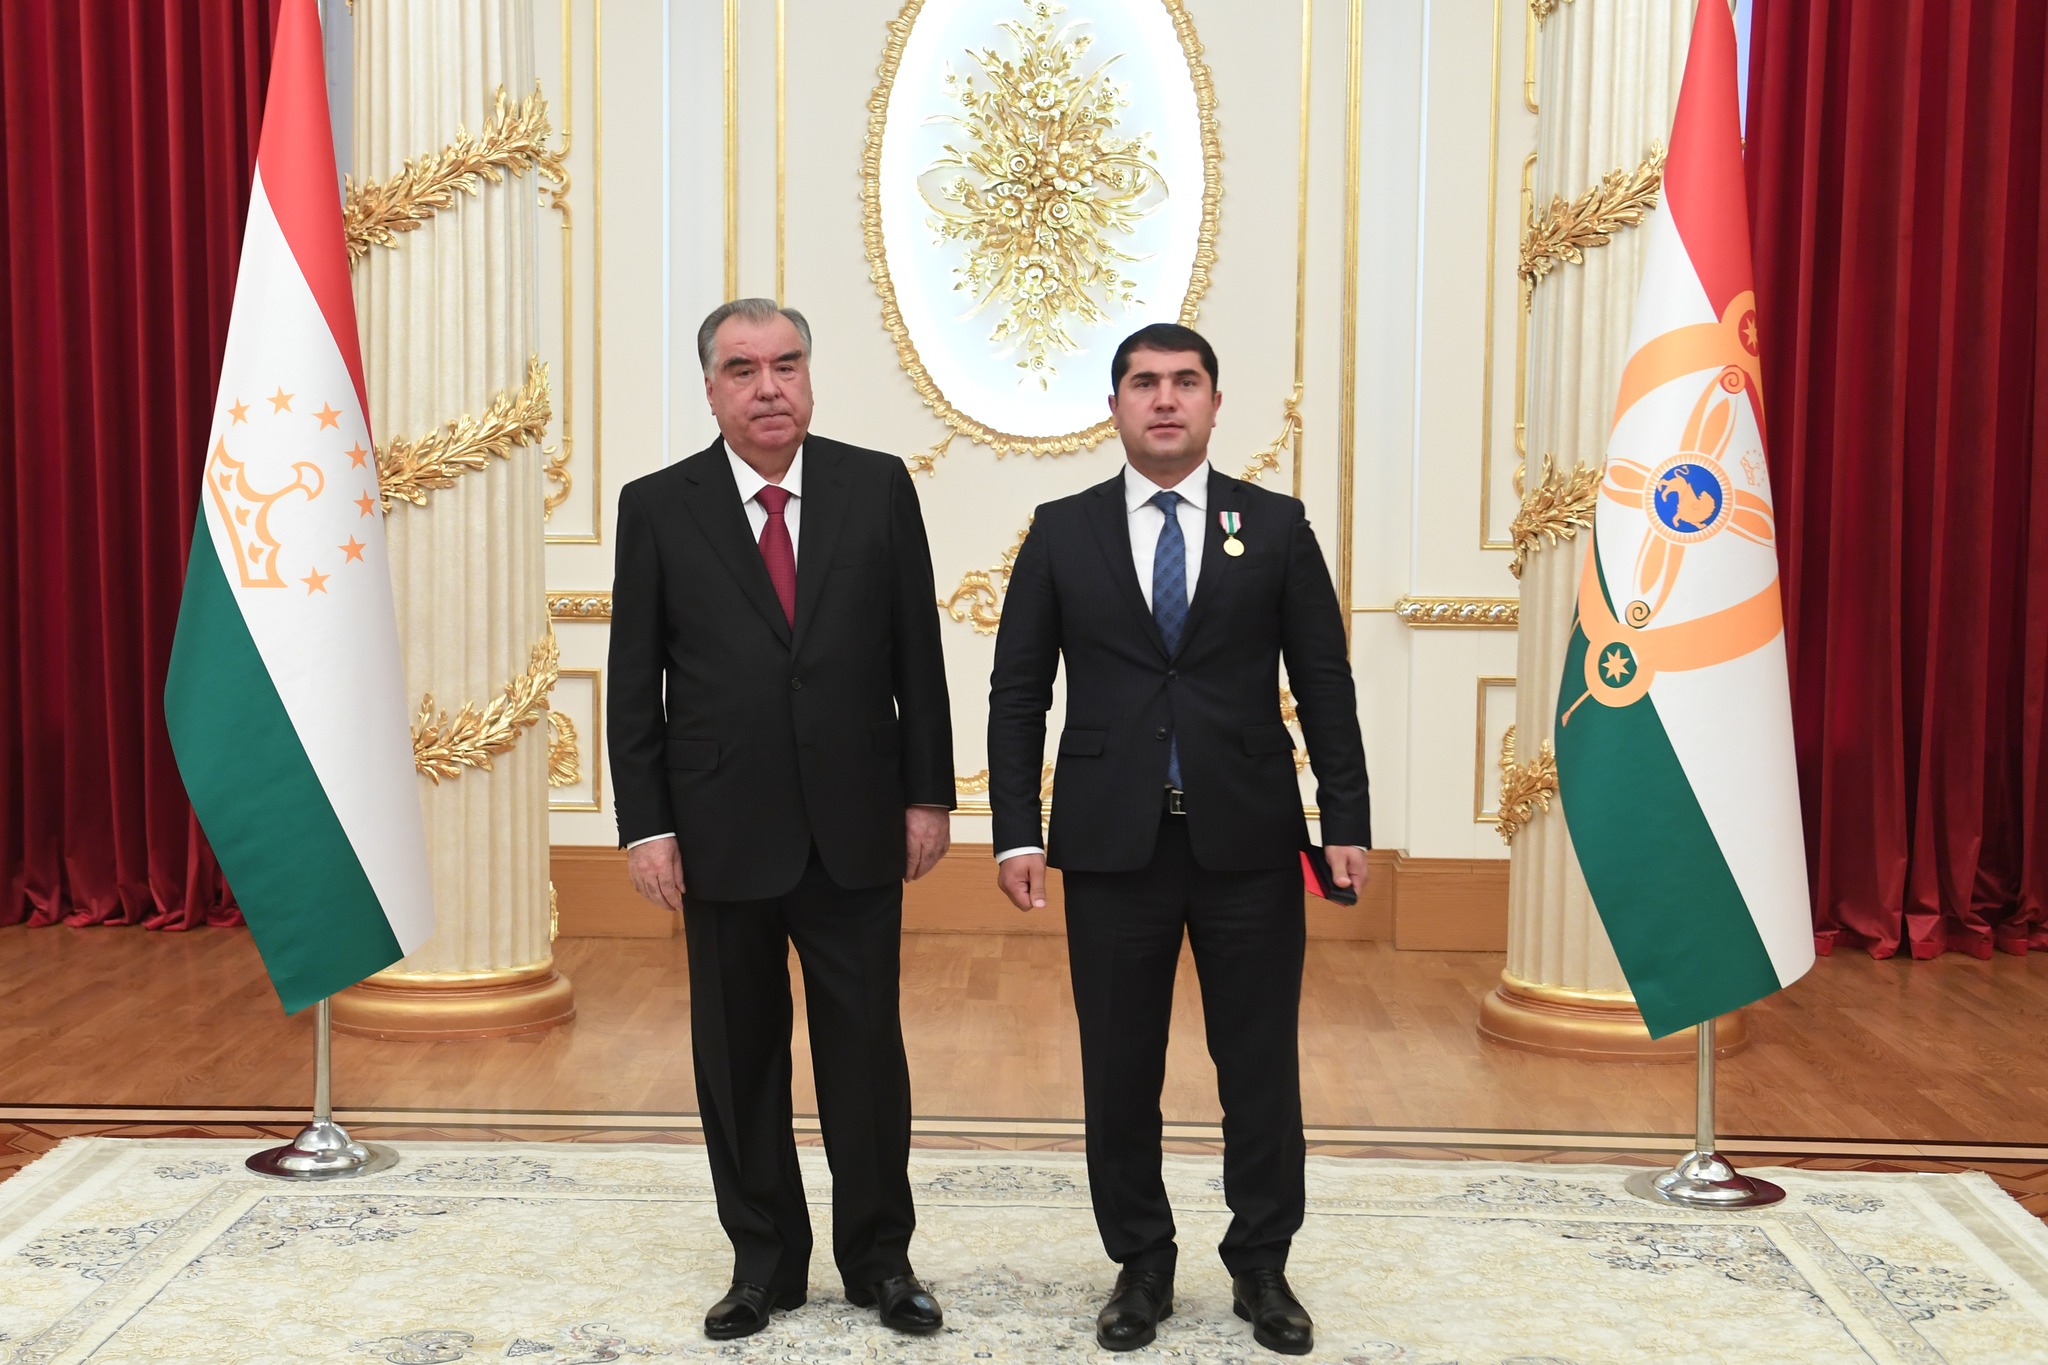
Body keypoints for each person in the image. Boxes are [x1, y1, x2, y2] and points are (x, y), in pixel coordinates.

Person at [986, 323, 1372, 1356]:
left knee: (1259, 1064)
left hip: (1249, 841)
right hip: (1111, 843)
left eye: (1185, 382)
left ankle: (1261, 1265)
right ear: (1114, 405)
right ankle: (1141, 1263)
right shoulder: (1061, 530)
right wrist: (1015, 831)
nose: (1165, 399)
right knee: (1119, 1067)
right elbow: (1018, 691)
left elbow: (1323, 682)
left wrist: (1344, 818)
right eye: (1145, 383)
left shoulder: (1274, 525)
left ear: (1213, 402)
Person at [607, 299, 955, 1342]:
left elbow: (918, 654)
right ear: (711, 388)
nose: (769, 387)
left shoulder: (876, 486)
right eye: (743, 369)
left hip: (856, 823)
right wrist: (647, 825)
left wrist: (928, 794)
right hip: (720, 830)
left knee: (866, 1055)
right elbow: (634, 682)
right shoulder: (657, 506)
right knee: (738, 1057)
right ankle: (763, 1262)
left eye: (787, 364)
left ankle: (881, 1261)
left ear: (808, 376)